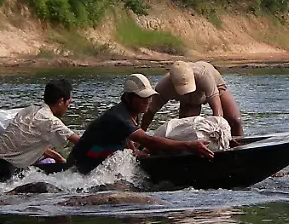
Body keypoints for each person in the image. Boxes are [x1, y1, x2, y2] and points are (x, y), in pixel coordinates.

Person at [69, 74, 215, 174]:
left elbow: (126, 136)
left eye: (149, 98)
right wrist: (189, 145)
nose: (148, 102)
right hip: (80, 164)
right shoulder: (119, 117)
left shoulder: (132, 112)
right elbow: (148, 140)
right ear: (129, 97)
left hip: (98, 154)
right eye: (143, 98)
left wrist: (134, 151)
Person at [0, 79, 80, 175]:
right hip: (2, 170)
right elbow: (83, 142)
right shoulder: (51, 122)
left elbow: (24, 143)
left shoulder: (28, 110)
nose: (68, 106)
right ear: (61, 101)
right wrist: (95, 152)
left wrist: (57, 157)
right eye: (69, 102)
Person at [140, 60, 243, 137]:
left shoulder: (203, 76)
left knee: (235, 120)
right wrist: (141, 137)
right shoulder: (164, 86)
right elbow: (150, 112)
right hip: (188, 102)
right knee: (186, 131)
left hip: (216, 86)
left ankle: (240, 146)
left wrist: (219, 135)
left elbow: (217, 111)